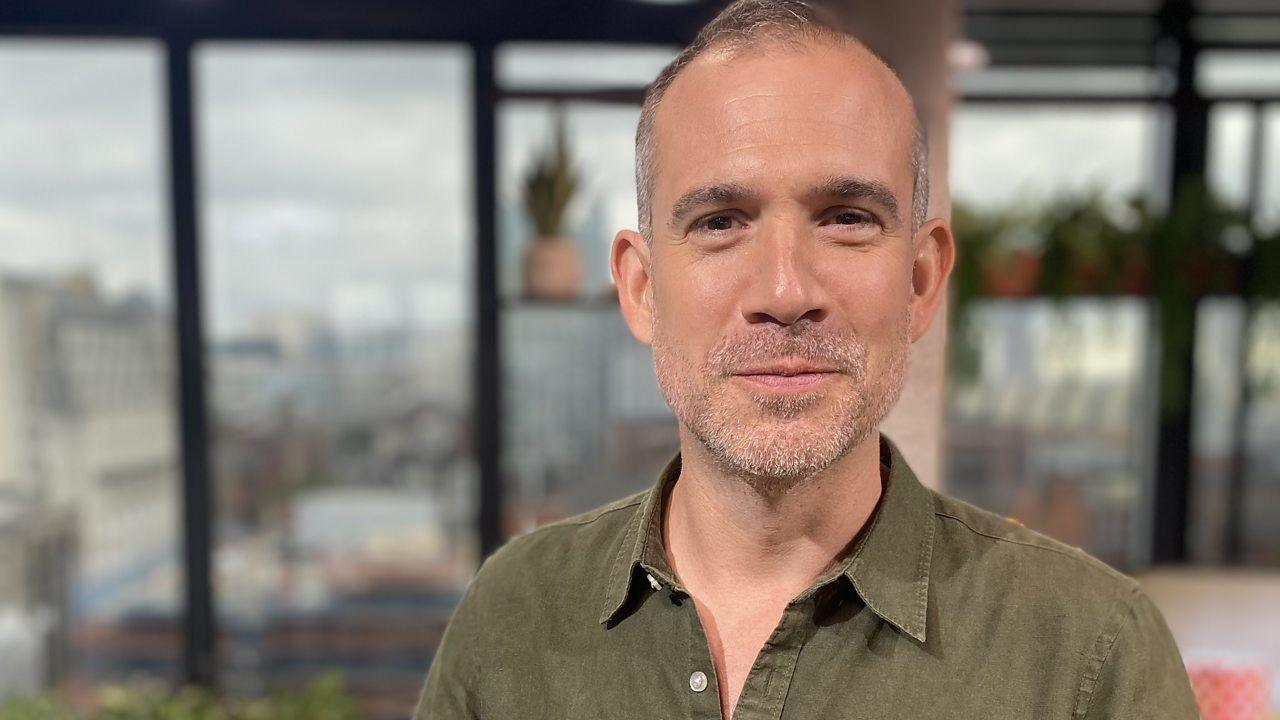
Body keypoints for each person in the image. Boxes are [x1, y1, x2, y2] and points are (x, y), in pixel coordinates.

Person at [414, 1, 1199, 718]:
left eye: (846, 218)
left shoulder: (1088, 657)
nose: (785, 292)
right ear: (642, 289)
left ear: (921, 281)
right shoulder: (513, 617)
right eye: (720, 222)